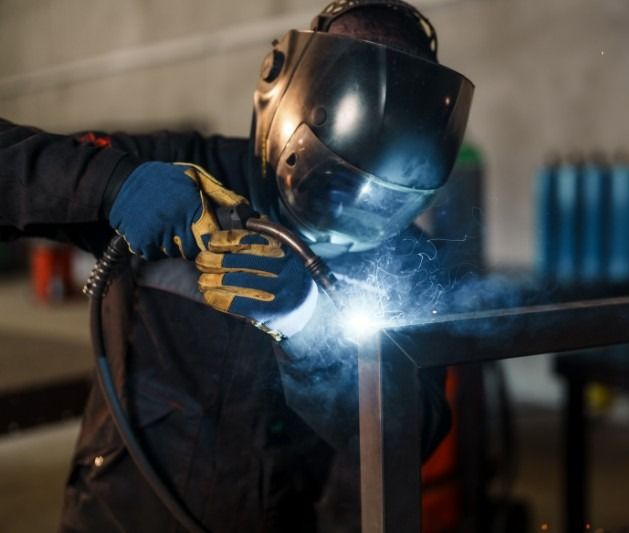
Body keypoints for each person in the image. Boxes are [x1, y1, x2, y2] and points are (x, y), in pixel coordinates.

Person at [0, 0, 473, 531]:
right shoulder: (176, 169)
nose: (347, 214)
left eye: (378, 198)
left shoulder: (404, 258)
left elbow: (412, 434)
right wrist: (109, 184)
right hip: (124, 512)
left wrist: (309, 325)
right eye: (334, 178)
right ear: (290, 98)